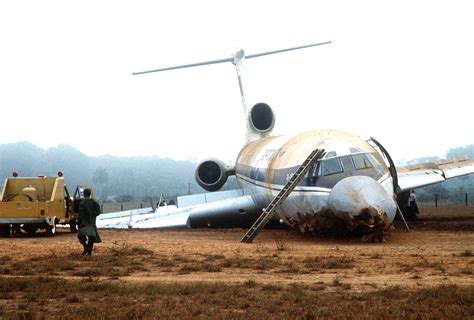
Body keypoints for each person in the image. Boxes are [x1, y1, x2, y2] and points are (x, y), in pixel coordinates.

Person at [77, 188, 101, 255]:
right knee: (91, 238)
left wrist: (79, 223)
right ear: (90, 194)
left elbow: (80, 214)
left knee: (80, 237)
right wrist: (93, 215)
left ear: (84, 194)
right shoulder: (94, 201)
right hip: (92, 223)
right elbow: (98, 212)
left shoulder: (83, 202)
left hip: (83, 223)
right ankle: (89, 252)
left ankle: (86, 247)